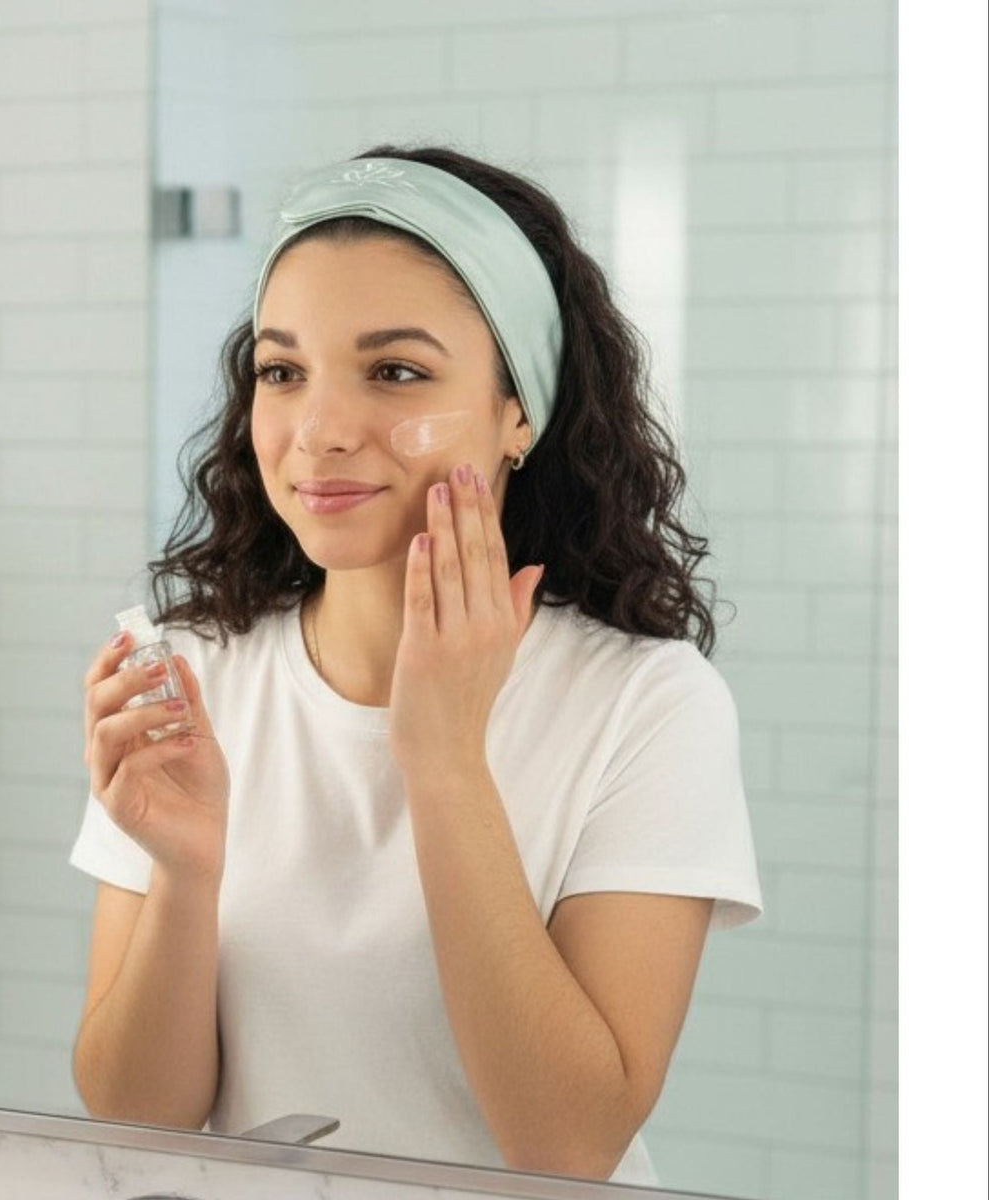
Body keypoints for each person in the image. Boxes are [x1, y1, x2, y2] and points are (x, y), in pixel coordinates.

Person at [68, 145, 763, 1185]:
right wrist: (184, 870)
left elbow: (569, 1147)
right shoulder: (199, 673)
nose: (321, 431)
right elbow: (138, 1120)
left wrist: (442, 759)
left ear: (517, 409)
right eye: (282, 370)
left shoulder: (646, 705)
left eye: (396, 372)